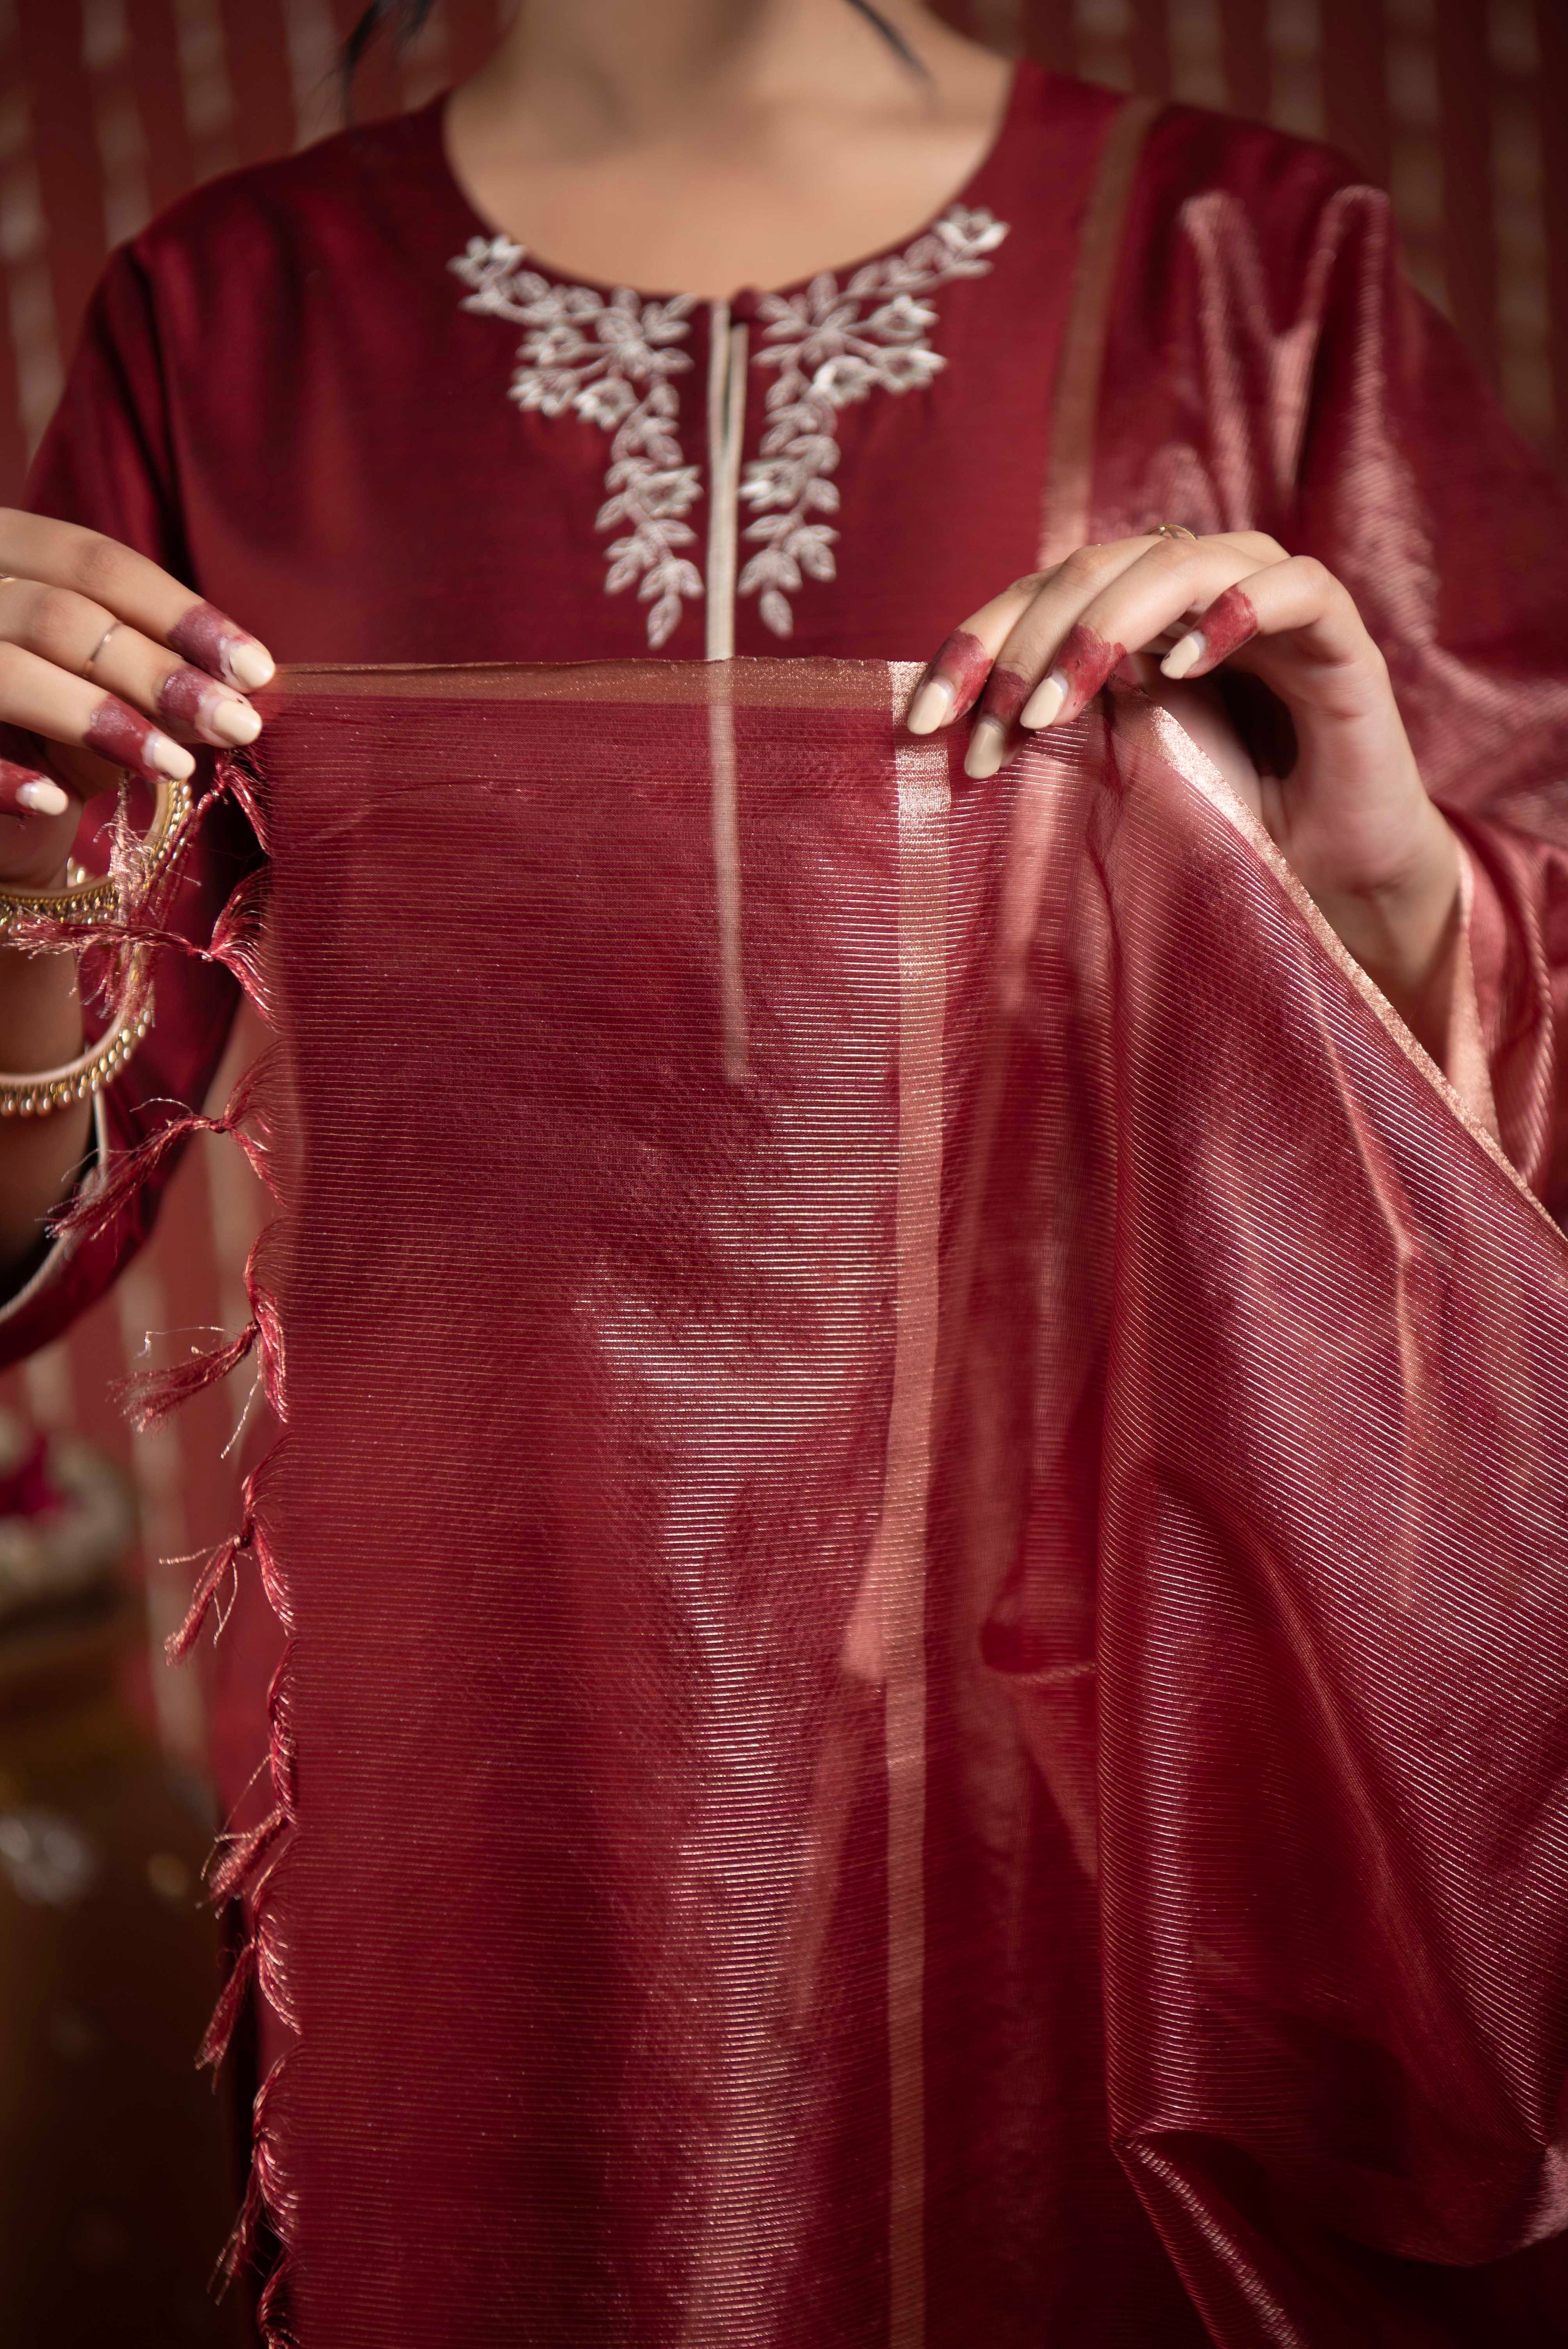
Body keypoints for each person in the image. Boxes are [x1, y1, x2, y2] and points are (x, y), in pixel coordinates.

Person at [0, 0, 1564, 2339]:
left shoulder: (1243, 265)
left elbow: (1511, 1129)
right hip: (492, 1731)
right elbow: (58, 1202)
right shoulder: (228, 318)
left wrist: (1386, 879)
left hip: (1109, 1713)